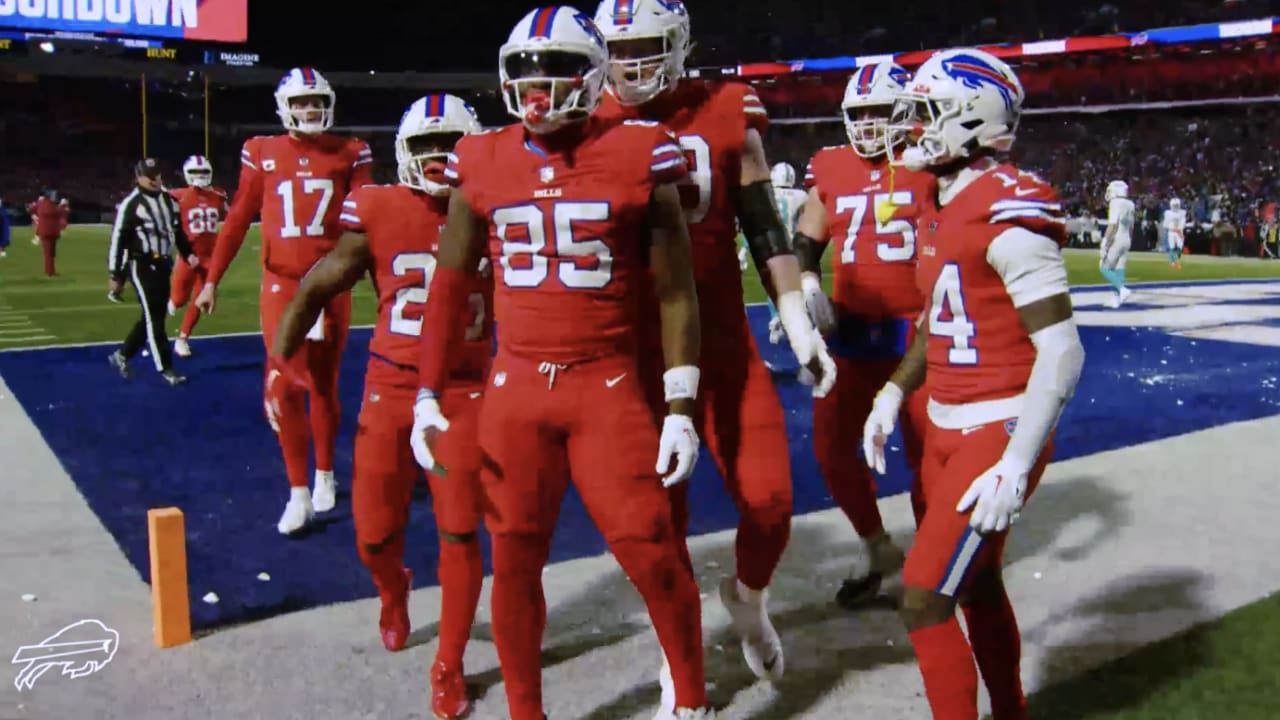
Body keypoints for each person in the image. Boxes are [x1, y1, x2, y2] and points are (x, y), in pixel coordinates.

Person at [409, 7, 713, 720]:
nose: (536, 85)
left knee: (651, 548)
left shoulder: (640, 149)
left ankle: (692, 697)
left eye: (554, 69)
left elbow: (676, 292)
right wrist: (428, 393)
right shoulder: (480, 158)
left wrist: (679, 407)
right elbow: (449, 286)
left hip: (603, 383)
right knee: (512, 557)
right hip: (514, 389)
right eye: (522, 70)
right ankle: (526, 711)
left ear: (592, 75)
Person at [593, 0, 835, 688]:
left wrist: (794, 318)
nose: (632, 61)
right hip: (630, 352)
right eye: (619, 46)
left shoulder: (727, 107)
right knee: (657, 521)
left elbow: (762, 223)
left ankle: (748, 599)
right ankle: (681, 654)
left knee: (771, 502)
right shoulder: (578, 115)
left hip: (723, 340)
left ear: (679, 44)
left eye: (647, 45)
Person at [866, 48, 1085, 720]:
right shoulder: (937, 198)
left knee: (924, 597)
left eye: (926, 114)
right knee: (979, 583)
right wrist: (894, 392)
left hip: (999, 424)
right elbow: (940, 324)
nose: (912, 129)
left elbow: (1063, 352)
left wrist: (1016, 464)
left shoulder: (1008, 209)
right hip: (945, 420)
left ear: (971, 117)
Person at [268, 95, 484, 719]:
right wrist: (282, 364)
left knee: (460, 531)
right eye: (425, 146)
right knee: (372, 534)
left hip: (466, 388)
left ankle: (449, 663)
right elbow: (317, 282)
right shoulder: (382, 207)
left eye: (451, 144)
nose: (439, 157)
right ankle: (394, 590)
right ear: (403, 153)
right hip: (391, 386)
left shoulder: (496, 204)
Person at [195, 67, 374, 535]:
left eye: (315, 102)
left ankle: (325, 474)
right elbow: (237, 217)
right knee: (280, 384)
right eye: (300, 103)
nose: (309, 110)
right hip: (282, 284)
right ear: (285, 107)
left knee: (322, 385)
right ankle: (297, 491)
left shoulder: (352, 152)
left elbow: (365, 221)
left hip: (329, 284)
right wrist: (212, 278)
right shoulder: (262, 151)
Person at [792, 63, 934, 608]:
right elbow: (808, 237)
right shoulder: (832, 165)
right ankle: (876, 545)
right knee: (831, 447)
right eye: (859, 114)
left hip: (916, 330)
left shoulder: (929, 164)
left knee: (928, 454)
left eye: (879, 111)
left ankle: (934, 558)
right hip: (852, 329)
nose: (868, 124)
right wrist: (807, 283)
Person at [106, 159, 200, 386]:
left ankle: (122, 355)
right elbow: (119, 240)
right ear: (139, 177)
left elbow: (178, 233)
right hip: (141, 265)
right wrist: (116, 274)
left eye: (157, 174)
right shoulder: (133, 204)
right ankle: (166, 368)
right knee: (154, 321)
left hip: (163, 265)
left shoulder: (170, 201)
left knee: (154, 316)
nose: (155, 179)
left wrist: (188, 254)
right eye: (149, 175)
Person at [168, 155, 228, 357]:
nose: (200, 176)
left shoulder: (219, 196)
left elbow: (232, 215)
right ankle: (173, 303)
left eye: (203, 172)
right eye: (195, 172)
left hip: (210, 257)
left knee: (199, 299)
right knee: (178, 299)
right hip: (188, 256)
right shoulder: (177, 196)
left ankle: (182, 338)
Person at [763, 161, 807, 343]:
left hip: (772, 244)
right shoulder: (801, 196)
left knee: (773, 285)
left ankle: (775, 319)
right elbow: (804, 222)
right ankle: (794, 323)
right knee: (793, 287)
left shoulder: (766, 194)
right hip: (791, 246)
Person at [1100, 179, 1134, 307]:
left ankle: (1122, 289)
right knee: (1119, 268)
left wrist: (1105, 241)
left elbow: (1113, 225)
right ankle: (1116, 300)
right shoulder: (1130, 204)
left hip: (1117, 238)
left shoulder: (1115, 203)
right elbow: (1131, 226)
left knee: (1104, 267)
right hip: (1127, 238)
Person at [29, 188, 68, 277]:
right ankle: (50, 271)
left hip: (48, 232)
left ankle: (49, 270)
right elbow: (58, 212)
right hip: (49, 232)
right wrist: (63, 205)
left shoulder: (43, 203)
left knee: (50, 253)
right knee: (49, 253)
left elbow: (32, 208)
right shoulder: (48, 205)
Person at [1162, 197, 1187, 268]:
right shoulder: (1167, 213)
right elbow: (1165, 225)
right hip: (1171, 232)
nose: (1175, 207)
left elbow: (1183, 223)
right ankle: (1172, 263)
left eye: (1176, 205)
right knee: (1172, 247)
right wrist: (1171, 228)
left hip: (1179, 232)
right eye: (1174, 205)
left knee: (1180, 247)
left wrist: (1179, 230)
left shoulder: (1182, 212)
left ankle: (1178, 261)